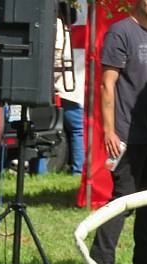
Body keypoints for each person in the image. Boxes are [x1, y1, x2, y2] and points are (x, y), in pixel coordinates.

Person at [84, 0, 147, 264]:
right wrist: (109, 130)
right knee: (122, 201)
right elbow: (108, 84)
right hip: (126, 134)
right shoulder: (120, 32)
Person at [54, 2, 84, 177]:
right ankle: (78, 170)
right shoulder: (64, 30)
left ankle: (40, 170)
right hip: (72, 90)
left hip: (64, 89)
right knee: (77, 131)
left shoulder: (58, 29)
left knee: (47, 133)